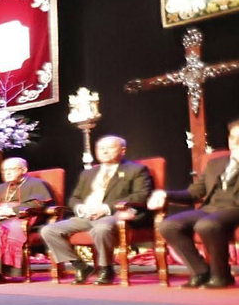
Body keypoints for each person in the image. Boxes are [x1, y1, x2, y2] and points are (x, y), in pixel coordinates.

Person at [40, 136, 153, 285]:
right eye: (100, 149)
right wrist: (81, 207)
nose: (104, 152)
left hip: (115, 214)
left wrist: (105, 208)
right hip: (86, 215)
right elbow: (75, 198)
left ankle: (106, 268)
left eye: (110, 148)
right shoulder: (88, 173)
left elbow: (141, 195)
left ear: (122, 150)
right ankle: (81, 266)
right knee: (49, 231)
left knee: (101, 227)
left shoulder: (136, 170)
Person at [151, 120, 239, 289]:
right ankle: (200, 271)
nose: (236, 143)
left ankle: (221, 275)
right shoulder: (216, 163)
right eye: (233, 138)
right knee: (168, 225)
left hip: (235, 208)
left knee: (207, 225)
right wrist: (166, 194)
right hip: (211, 208)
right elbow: (194, 193)